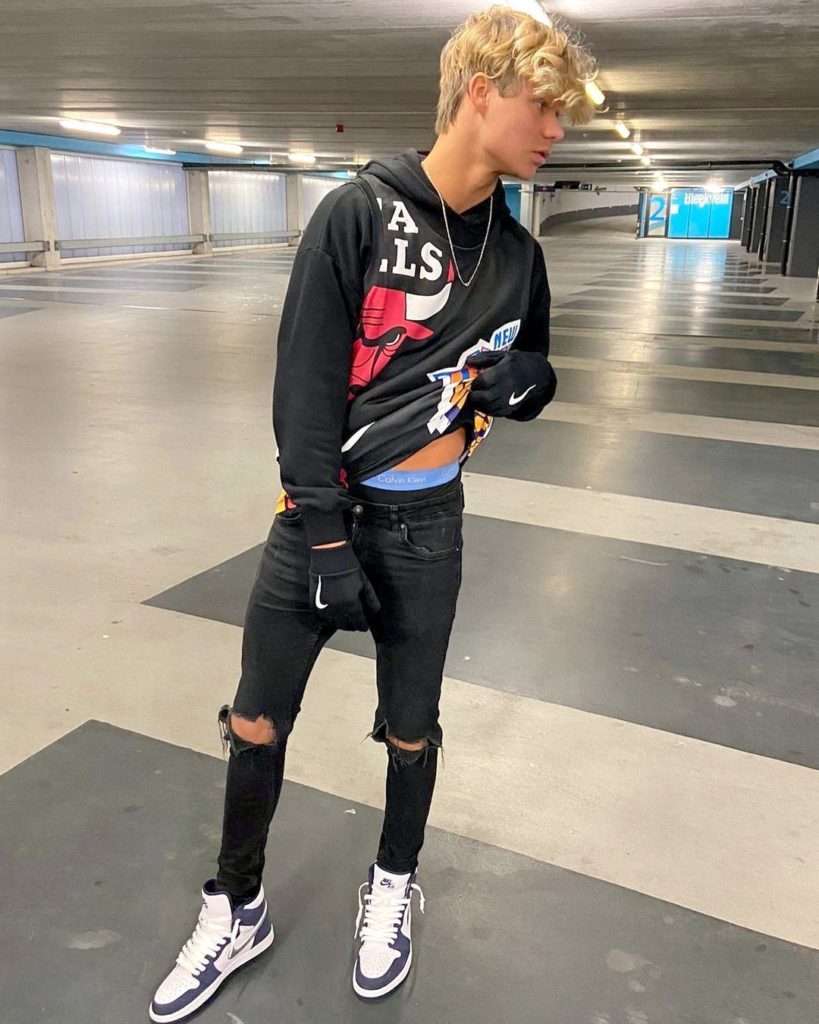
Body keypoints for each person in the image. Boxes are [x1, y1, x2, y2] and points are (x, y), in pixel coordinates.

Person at [149, 6, 596, 1021]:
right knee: (256, 715)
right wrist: (322, 536)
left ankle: (392, 882)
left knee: (411, 727)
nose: (556, 129)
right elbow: (303, 393)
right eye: (543, 105)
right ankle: (237, 904)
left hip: (429, 525)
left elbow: (525, 368)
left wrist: (530, 384)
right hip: (318, 516)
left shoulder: (518, 255)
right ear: (480, 93)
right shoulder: (357, 214)